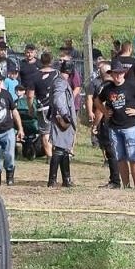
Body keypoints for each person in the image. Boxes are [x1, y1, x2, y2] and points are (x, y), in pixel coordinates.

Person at [95, 57, 135, 190]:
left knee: (133, 157)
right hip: (114, 127)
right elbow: (97, 101)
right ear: (111, 74)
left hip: (130, 127)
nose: (117, 76)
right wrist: (104, 111)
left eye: (120, 73)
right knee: (120, 158)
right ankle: (126, 186)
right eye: (115, 73)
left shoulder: (132, 86)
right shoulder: (108, 88)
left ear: (124, 73)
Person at [44, 54, 77, 187]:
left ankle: (66, 179)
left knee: (63, 149)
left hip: (62, 118)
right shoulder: (60, 82)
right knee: (59, 149)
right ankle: (52, 180)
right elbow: (58, 100)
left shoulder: (60, 81)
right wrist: (65, 115)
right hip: (61, 120)